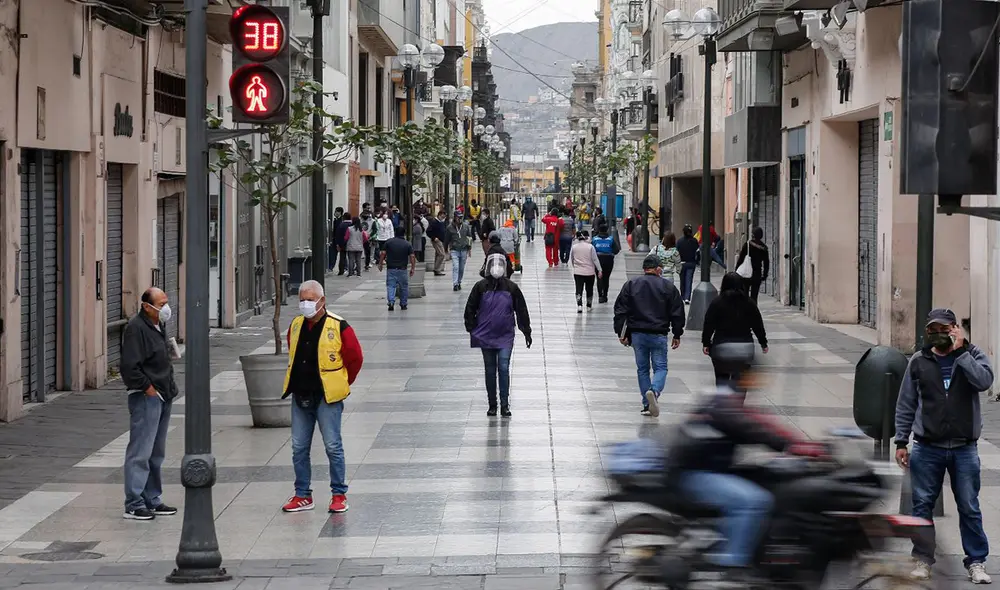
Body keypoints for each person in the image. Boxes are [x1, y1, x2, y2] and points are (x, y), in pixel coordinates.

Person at [669, 344, 827, 584]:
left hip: (710, 467)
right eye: (753, 371)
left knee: (763, 480)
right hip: (695, 474)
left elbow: (760, 420)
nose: (758, 378)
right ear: (743, 373)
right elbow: (752, 428)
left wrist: (801, 443)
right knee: (754, 501)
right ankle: (734, 562)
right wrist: (791, 447)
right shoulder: (725, 402)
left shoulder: (725, 395)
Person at [895, 308, 995, 584]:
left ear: (954, 329)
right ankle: (922, 560)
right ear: (928, 332)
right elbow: (906, 403)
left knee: (969, 506)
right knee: (922, 505)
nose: (938, 334)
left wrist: (962, 352)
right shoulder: (918, 361)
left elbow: (984, 381)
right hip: (928, 447)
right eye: (933, 330)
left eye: (944, 328)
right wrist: (901, 440)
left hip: (964, 447)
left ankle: (976, 562)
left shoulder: (972, 356)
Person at [280, 280, 364, 514]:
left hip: (327, 397)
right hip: (300, 395)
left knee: (333, 446)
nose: (305, 304)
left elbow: (355, 357)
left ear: (322, 301)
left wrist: (343, 382)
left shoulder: (338, 326)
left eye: (310, 300)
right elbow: (291, 349)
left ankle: (339, 494)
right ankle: (302, 494)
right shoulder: (296, 325)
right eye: (302, 300)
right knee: (298, 447)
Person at [120, 287, 180, 520]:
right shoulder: (136, 328)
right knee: (140, 451)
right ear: (147, 306)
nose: (166, 308)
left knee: (156, 452)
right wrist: (149, 389)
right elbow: (129, 366)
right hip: (147, 396)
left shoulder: (157, 325)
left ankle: (152, 499)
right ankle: (134, 503)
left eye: (166, 302)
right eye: (161, 303)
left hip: (163, 394)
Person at [613, 255, 685, 417]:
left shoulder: (631, 285)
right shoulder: (668, 287)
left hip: (637, 334)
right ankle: (655, 391)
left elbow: (620, 310)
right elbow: (677, 312)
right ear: (658, 269)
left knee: (642, 369)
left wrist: (621, 332)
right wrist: (677, 333)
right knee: (661, 367)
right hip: (658, 333)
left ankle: (647, 404)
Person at [465, 253, 532, 417]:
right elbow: (470, 308)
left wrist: (526, 331)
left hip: (505, 335)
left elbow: (521, 310)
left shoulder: (511, 288)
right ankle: (492, 404)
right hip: (485, 335)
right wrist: (472, 328)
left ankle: (505, 404)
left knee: (503, 367)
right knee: (489, 370)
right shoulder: (480, 287)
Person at [702, 273, 768, 389]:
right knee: (741, 382)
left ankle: (723, 403)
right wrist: (763, 342)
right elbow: (757, 324)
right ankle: (738, 403)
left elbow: (709, 324)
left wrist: (706, 343)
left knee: (722, 380)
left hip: (722, 345)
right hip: (744, 346)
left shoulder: (717, 302)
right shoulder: (749, 303)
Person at [379, 226, 417, 311]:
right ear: (404, 233)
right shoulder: (407, 244)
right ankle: (403, 304)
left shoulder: (389, 242)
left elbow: (383, 253)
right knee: (403, 287)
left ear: (395, 232)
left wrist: (380, 263)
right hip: (402, 269)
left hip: (391, 268)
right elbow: (412, 256)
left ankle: (391, 302)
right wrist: (413, 268)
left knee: (391, 286)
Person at [570, 230, 602, 313]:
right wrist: (599, 270)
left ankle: (579, 305)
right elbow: (595, 259)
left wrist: (576, 267)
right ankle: (589, 305)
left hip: (578, 272)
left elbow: (572, 259)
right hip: (589, 272)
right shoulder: (590, 247)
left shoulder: (574, 247)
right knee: (589, 289)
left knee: (578, 289)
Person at [736, 227, 770, 302]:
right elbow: (766, 263)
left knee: (745, 294)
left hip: (746, 273)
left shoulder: (748, 244)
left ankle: (745, 311)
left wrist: (737, 270)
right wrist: (764, 274)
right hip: (757, 274)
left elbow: (741, 259)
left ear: (753, 235)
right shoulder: (764, 248)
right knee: (754, 296)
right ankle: (753, 311)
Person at [445, 211, 475, 291]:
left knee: (461, 268)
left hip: (464, 249)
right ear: (455, 217)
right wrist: (446, 250)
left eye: (461, 217)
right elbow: (446, 239)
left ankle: (459, 282)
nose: (460, 219)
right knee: (456, 267)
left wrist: (469, 248)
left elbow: (469, 237)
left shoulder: (465, 226)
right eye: (459, 217)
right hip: (454, 249)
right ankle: (455, 284)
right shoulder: (449, 227)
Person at [592, 223, 620, 304]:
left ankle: (600, 296)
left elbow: (591, 249)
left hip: (598, 260)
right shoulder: (610, 239)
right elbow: (616, 250)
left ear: (599, 230)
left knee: (599, 278)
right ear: (607, 230)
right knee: (606, 278)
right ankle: (605, 296)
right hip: (608, 261)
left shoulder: (595, 239)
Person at [676, 224, 699, 304]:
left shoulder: (679, 241)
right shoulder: (694, 241)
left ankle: (683, 296)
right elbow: (697, 252)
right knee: (689, 280)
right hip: (691, 263)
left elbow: (677, 252)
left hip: (682, 263)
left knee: (682, 280)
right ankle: (687, 297)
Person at [427, 210, 448, 276]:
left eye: (444, 217)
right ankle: (437, 269)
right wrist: (434, 237)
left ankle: (437, 269)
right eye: (442, 216)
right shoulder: (434, 222)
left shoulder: (441, 222)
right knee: (442, 254)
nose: (443, 218)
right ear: (439, 215)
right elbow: (428, 231)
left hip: (441, 240)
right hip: (437, 240)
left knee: (438, 254)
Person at [328, 207, 344, 272]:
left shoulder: (340, 221)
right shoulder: (336, 220)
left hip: (337, 240)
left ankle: (332, 267)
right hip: (335, 240)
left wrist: (337, 243)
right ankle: (331, 267)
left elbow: (337, 232)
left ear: (339, 212)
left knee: (336, 254)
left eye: (336, 211)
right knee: (333, 254)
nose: (335, 213)